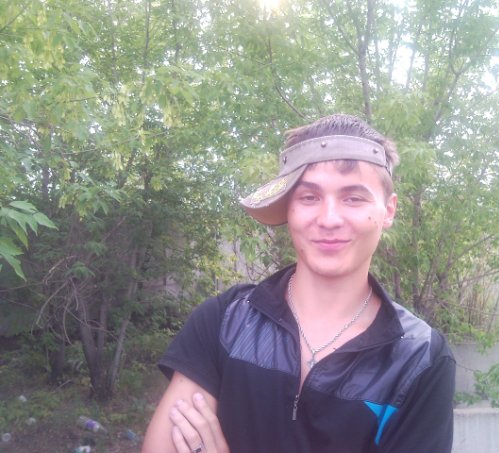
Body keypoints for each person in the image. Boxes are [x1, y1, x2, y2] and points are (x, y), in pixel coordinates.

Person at [142, 114, 455, 453]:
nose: (329, 219)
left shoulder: (418, 358)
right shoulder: (225, 322)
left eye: (353, 198)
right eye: (309, 197)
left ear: (388, 211)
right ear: (288, 209)